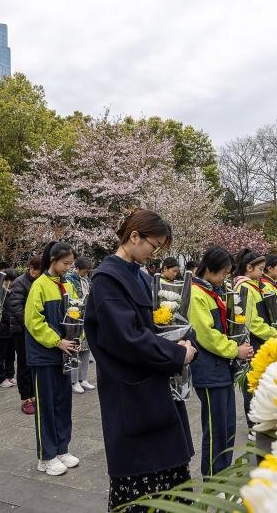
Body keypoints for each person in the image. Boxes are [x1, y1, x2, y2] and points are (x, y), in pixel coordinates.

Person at [84, 210, 197, 511]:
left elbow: (146, 328)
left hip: (153, 388)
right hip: (132, 393)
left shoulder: (137, 274)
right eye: (154, 244)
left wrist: (178, 335)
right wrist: (176, 353)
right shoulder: (108, 278)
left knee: (170, 479)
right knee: (141, 484)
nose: (155, 253)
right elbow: (127, 339)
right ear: (133, 236)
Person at [189, 246, 254, 478]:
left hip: (221, 369)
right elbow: (206, 335)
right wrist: (235, 350)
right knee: (215, 429)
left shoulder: (212, 291)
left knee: (227, 426)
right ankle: (213, 478)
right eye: (224, 272)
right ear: (210, 269)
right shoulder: (197, 293)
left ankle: (223, 475)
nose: (225, 277)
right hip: (208, 370)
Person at [25, 241, 80, 476]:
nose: (69, 267)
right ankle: (46, 456)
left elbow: (79, 313)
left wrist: (78, 336)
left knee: (63, 404)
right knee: (46, 407)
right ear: (53, 261)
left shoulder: (68, 285)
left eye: (71, 264)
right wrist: (57, 341)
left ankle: (61, 448)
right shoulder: (39, 285)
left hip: (65, 356)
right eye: (65, 263)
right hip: (45, 356)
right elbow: (33, 321)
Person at [232, 249, 277, 433]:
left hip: (260, 341)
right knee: (252, 384)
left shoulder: (252, 286)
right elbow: (253, 322)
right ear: (248, 268)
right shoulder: (245, 288)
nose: (262, 273)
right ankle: (254, 426)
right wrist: (274, 333)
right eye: (260, 269)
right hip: (253, 342)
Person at [5, 256, 41, 415]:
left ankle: (35, 395)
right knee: (24, 364)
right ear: (32, 268)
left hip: (35, 329)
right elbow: (16, 308)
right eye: (38, 271)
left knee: (34, 363)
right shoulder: (19, 282)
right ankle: (26, 398)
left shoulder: (39, 281)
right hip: (21, 329)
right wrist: (33, 322)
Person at [65, 257, 94, 394]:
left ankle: (84, 379)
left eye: (87, 272)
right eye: (84, 271)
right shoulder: (69, 280)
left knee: (86, 350)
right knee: (75, 350)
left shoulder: (87, 280)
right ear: (77, 268)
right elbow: (70, 299)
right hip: (76, 319)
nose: (86, 274)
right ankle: (74, 381)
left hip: (86, 318)